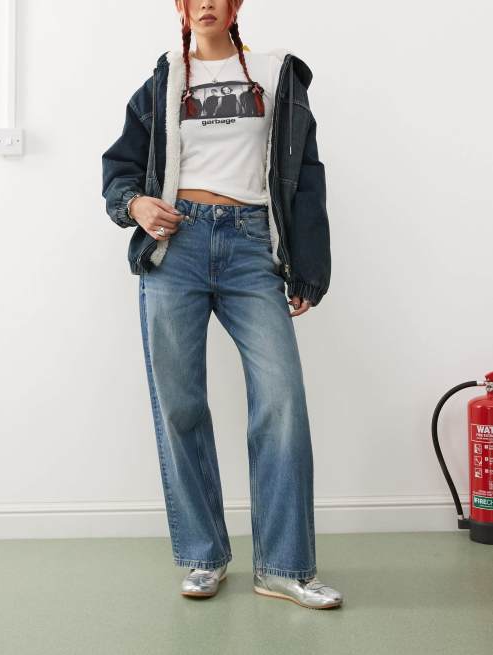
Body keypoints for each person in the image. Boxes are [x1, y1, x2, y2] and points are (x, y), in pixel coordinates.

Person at [101, 0, 342, 610]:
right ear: (182, 9)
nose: (205, 3)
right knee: (180, 405)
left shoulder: (276, 74)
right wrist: (135, 205)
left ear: (235, 6)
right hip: (175, 247)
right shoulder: (161, 83)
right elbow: (119, 168)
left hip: (251, 244)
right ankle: (203, 556)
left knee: (281, 400)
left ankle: (284, 567)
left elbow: (307, 174)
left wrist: (309, 267)